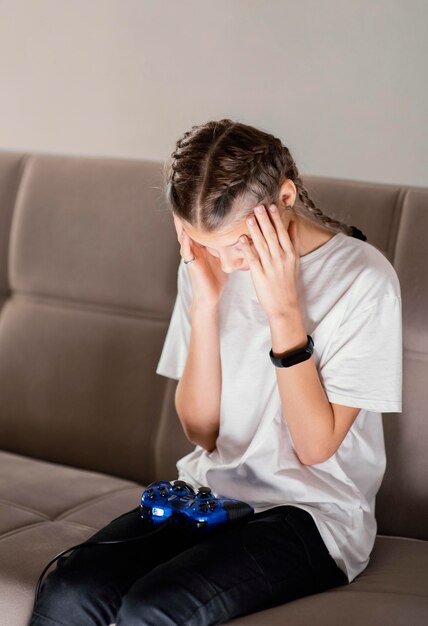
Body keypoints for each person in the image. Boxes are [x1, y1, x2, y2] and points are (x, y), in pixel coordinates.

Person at [30, 119, 402, 626]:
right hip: (212, 494)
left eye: (236, 245)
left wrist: (283, 313)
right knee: (70, 588)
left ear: (286, 195)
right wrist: (205, 305)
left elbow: (315, 449)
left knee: (153, 609)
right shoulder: (209, 265)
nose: (225, 263)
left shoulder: (363, 279)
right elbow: (202, 432)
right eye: (206, 244)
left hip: (313, 515)